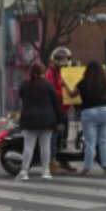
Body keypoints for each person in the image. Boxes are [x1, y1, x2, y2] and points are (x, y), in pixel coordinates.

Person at [17, 60, 60, 181]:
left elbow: (21, 96)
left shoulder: (25, 85)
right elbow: (56, 103)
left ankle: (24, 171)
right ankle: (45, 171)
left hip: (29, 120)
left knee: (28, 146)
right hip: (46, 119)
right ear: (43, 72)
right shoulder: (48, 85)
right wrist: (59, 119)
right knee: (45, 146)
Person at [71, 60, 106, 175]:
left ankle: (87, 168)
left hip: (88, 112)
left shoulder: (83, 82)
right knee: (104, 141)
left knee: (90, 142)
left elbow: (72, 94)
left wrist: (65, 85)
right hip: (105, 111)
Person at [45, 46, 76, 174]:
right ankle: (53, 162)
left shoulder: (68, 72)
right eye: (61, 59)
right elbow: (53, 92)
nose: (64, 61)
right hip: (55, 110)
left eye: (66, 59)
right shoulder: (50, 73)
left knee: (64, 138)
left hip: (65, 110)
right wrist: (64, 89)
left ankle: (63, 161)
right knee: (55, 137)